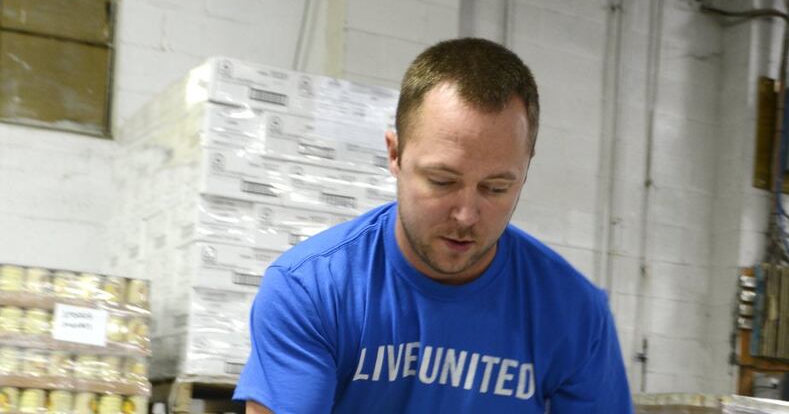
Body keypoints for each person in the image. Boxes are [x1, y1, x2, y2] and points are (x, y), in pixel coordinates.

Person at [233, 38, 633, 413]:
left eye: (496, 188)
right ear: (395, 155)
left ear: (525, 172)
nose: (466, 215)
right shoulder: (313, 290)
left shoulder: (575, 314)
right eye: (442, 181)